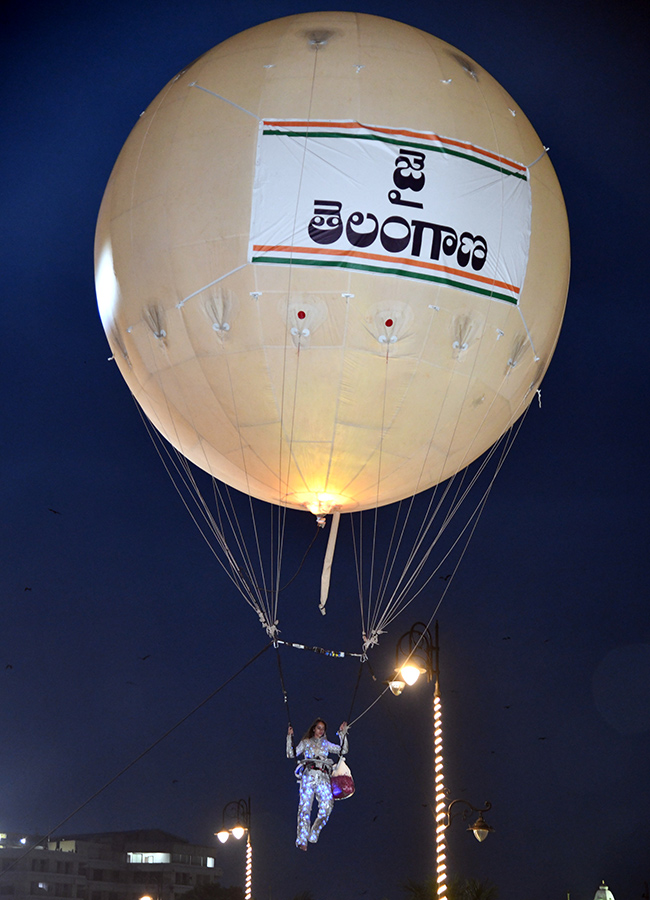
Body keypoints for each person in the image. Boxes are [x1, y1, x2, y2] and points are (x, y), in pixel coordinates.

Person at [286, 718, 348, 850]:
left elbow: (343, 751)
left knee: (327, 806)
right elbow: (291, 754)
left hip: (323, 777)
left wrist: (343, 735)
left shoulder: (326, 744)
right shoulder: (305, 743)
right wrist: (289, 737)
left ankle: (314, 832)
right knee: (304, 808)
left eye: (323, 729)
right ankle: (302, 839)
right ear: (314, 728)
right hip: (308, 775)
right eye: (319, 728)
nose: (321, 731)